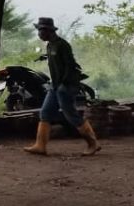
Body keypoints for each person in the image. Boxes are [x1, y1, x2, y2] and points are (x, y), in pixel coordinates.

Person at [24, 17, 100, 156]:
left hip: (66, 86)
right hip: (56, 85)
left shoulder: (62, 45)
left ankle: (93, 143)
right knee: (45, 113)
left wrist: (64, 84)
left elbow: (70, 66)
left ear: (48, 31)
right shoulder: (50, 45)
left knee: (70, 115)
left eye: (40, 31)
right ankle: (40, 145)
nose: (39, 34)